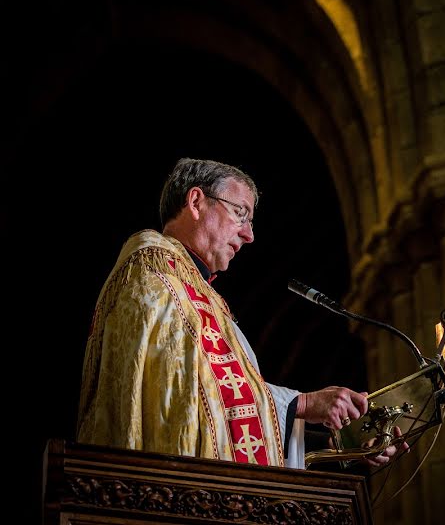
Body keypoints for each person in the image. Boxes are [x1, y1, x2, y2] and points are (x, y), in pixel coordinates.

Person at [76, 157, 406, 469]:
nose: (249, 235)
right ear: (196, 202)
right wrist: (304, 404)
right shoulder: (155, 275)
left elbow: (221, 423)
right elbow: (186, 398)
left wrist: (345, 440)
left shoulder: (200, 294)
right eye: (240, 213)